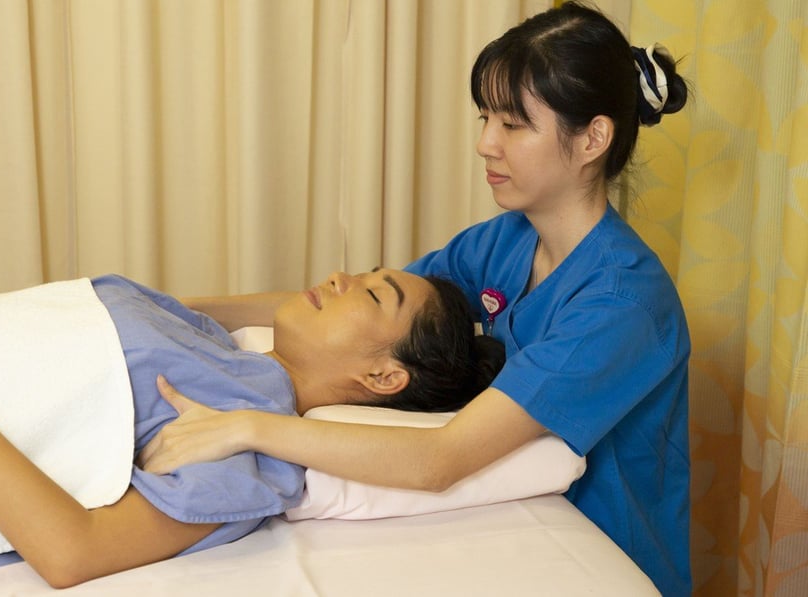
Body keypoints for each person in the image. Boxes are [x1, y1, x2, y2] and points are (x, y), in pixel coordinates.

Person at [134, 3, 693, 596]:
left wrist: (246, 428)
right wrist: (178, 307)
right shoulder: (507, 240)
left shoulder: (621, 304)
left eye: (512, 124)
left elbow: (440, 461)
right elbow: (358, 307)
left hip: (599, 549)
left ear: (592, 139)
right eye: (485, 118)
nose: (484, 144)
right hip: (498, 523)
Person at [0, 269, 503, 594]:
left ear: (384, 378)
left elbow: (71, 553)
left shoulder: (243, 446)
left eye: (374, 293)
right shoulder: (207, 336)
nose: (341, 275)